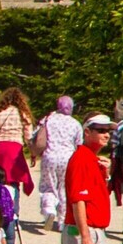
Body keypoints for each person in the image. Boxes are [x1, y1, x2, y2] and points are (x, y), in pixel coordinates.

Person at [65, 114, 115, 244]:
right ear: (87, 132)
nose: (106, 135)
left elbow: (96, 197)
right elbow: (78, 200)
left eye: (108, 131)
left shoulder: (89, 159)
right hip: (87, 230)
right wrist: (86, 237)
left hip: (79, 230)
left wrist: (106, 174)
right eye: (101, 130)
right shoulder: (83, 159)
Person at [35, 96, 83, 229]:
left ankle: (49, 208)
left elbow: (36, 136)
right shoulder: (75, 123)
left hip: (50, 156)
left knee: (48, 186)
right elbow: (79, 144)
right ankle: (62, 221)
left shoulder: (48, 119)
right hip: (68, 158)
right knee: (64, 188)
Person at [0, 87, 36, 198]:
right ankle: (14, 204)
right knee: (14, 177)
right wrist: (33, 153)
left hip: (0, 147)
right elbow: (28, 137)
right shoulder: (23, 114)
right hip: (15, 149)